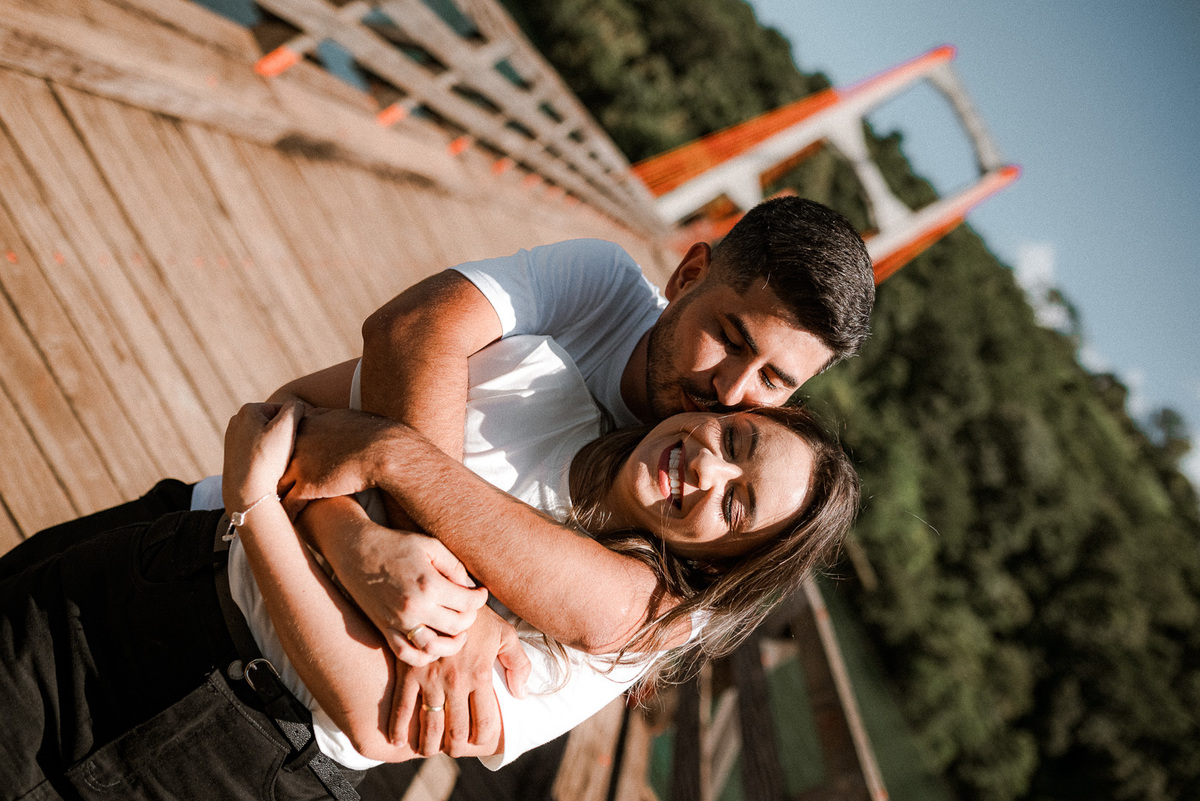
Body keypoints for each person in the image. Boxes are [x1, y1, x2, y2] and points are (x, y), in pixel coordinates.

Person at [0, 336, 857, 800]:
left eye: (736, 505)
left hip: (241, 756)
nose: (706, 468)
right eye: (735, 438)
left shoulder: (624, 636)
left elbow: (375, 718)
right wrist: (352, 533)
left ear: (722, 563)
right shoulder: (540, 377)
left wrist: (263, 507)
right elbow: (292, 416)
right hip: (153, 588)